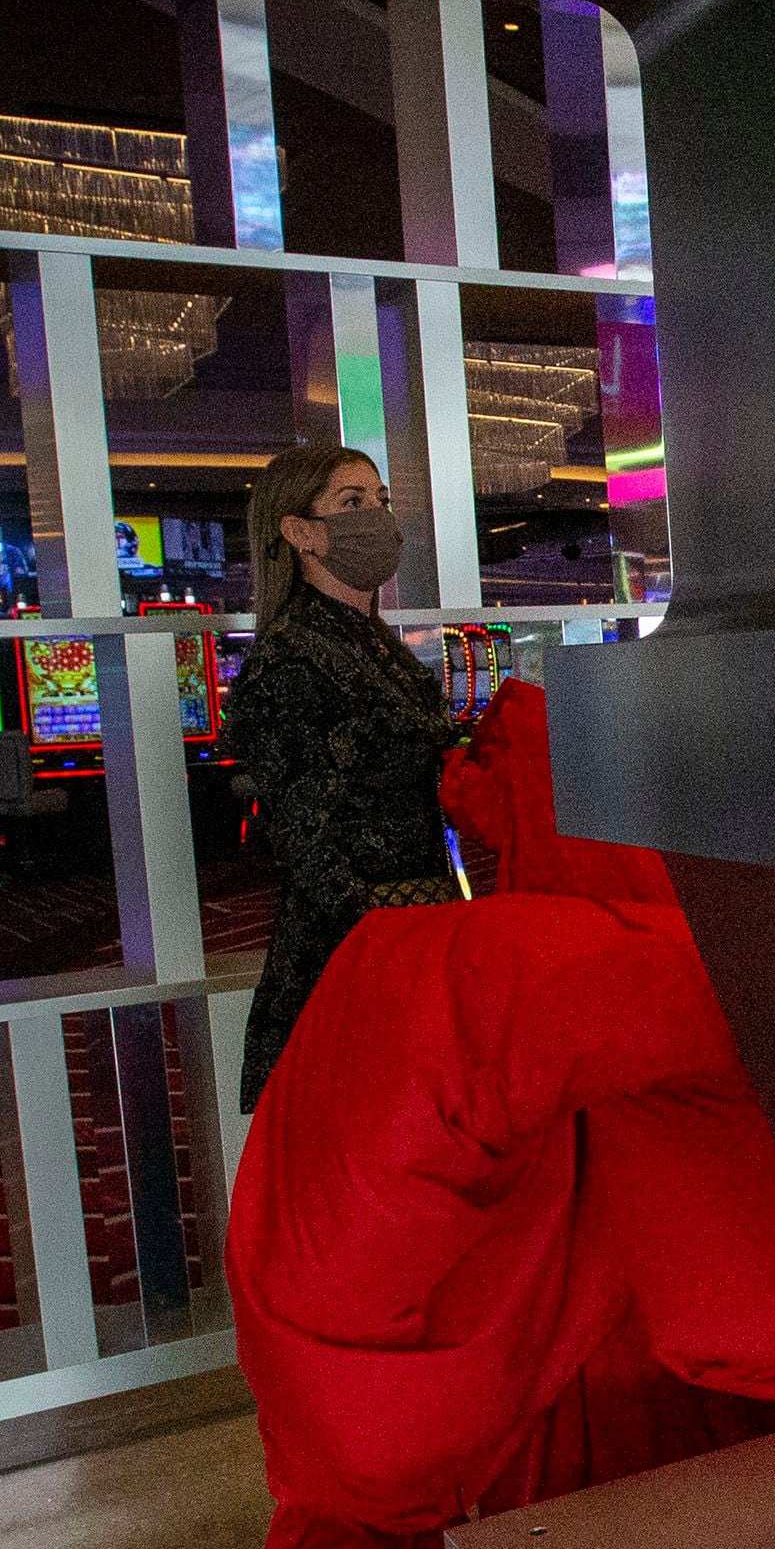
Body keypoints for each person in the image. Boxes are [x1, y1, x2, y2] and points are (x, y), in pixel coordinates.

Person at [223, 443, 459, 1113]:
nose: (377, 519)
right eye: (352, 503)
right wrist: (383, 939)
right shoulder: (292, 658)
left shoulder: (371, 643)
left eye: (380, 500)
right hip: (355, 951)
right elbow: (304, 840)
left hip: (416, 929)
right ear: (300, 532)